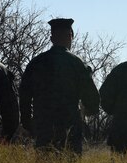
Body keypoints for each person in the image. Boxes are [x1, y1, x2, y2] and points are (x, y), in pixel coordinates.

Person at [19, 18, 99, 153]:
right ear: (71, 37)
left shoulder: (36, 63)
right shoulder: (77, 64)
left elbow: (24, 95)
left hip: (43, 126)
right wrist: (87, 113)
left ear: (51, 38)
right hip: (70, 127)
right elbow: (92, 100)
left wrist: (28, 122)